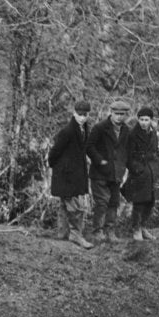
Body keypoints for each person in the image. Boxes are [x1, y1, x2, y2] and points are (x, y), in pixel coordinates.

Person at [47, 100, 94, 249]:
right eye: (79, 114)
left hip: (76, 173)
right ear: (74, 113)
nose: (82, 117)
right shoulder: (67, 131)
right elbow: (54, 152)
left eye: (85, 115)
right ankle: (75, 235)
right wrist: (59, 168)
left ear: (88, 115)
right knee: (75, 206)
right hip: (65, 174)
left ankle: (63, 232)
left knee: (65, 203)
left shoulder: (85, 129)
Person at [87, 99, 132, 243]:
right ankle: (97, 232)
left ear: (126, 115)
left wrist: (126, 167)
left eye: (122, 114)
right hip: (100, 173)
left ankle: (110, 232)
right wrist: (100, 160)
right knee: (101, 202)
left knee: (114, 202)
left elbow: (126, 151)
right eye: (116, 113)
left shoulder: (126, 130)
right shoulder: (100, 128)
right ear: (111, 112)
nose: (119, 116)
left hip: (116, 173)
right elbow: (89, 147)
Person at [123, 106, 159, 241]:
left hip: (153, 171)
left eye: (146, 120)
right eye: (141, 119)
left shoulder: (153, 133)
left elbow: (156, 149)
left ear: (151, 120)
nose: (143, 122)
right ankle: (136, 229)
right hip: (140, 173)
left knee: (151, 201)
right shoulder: (132, 134)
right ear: (138, 119)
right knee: (139, 202)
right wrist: (137, 170)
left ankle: (143, 227)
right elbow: (128, 157)